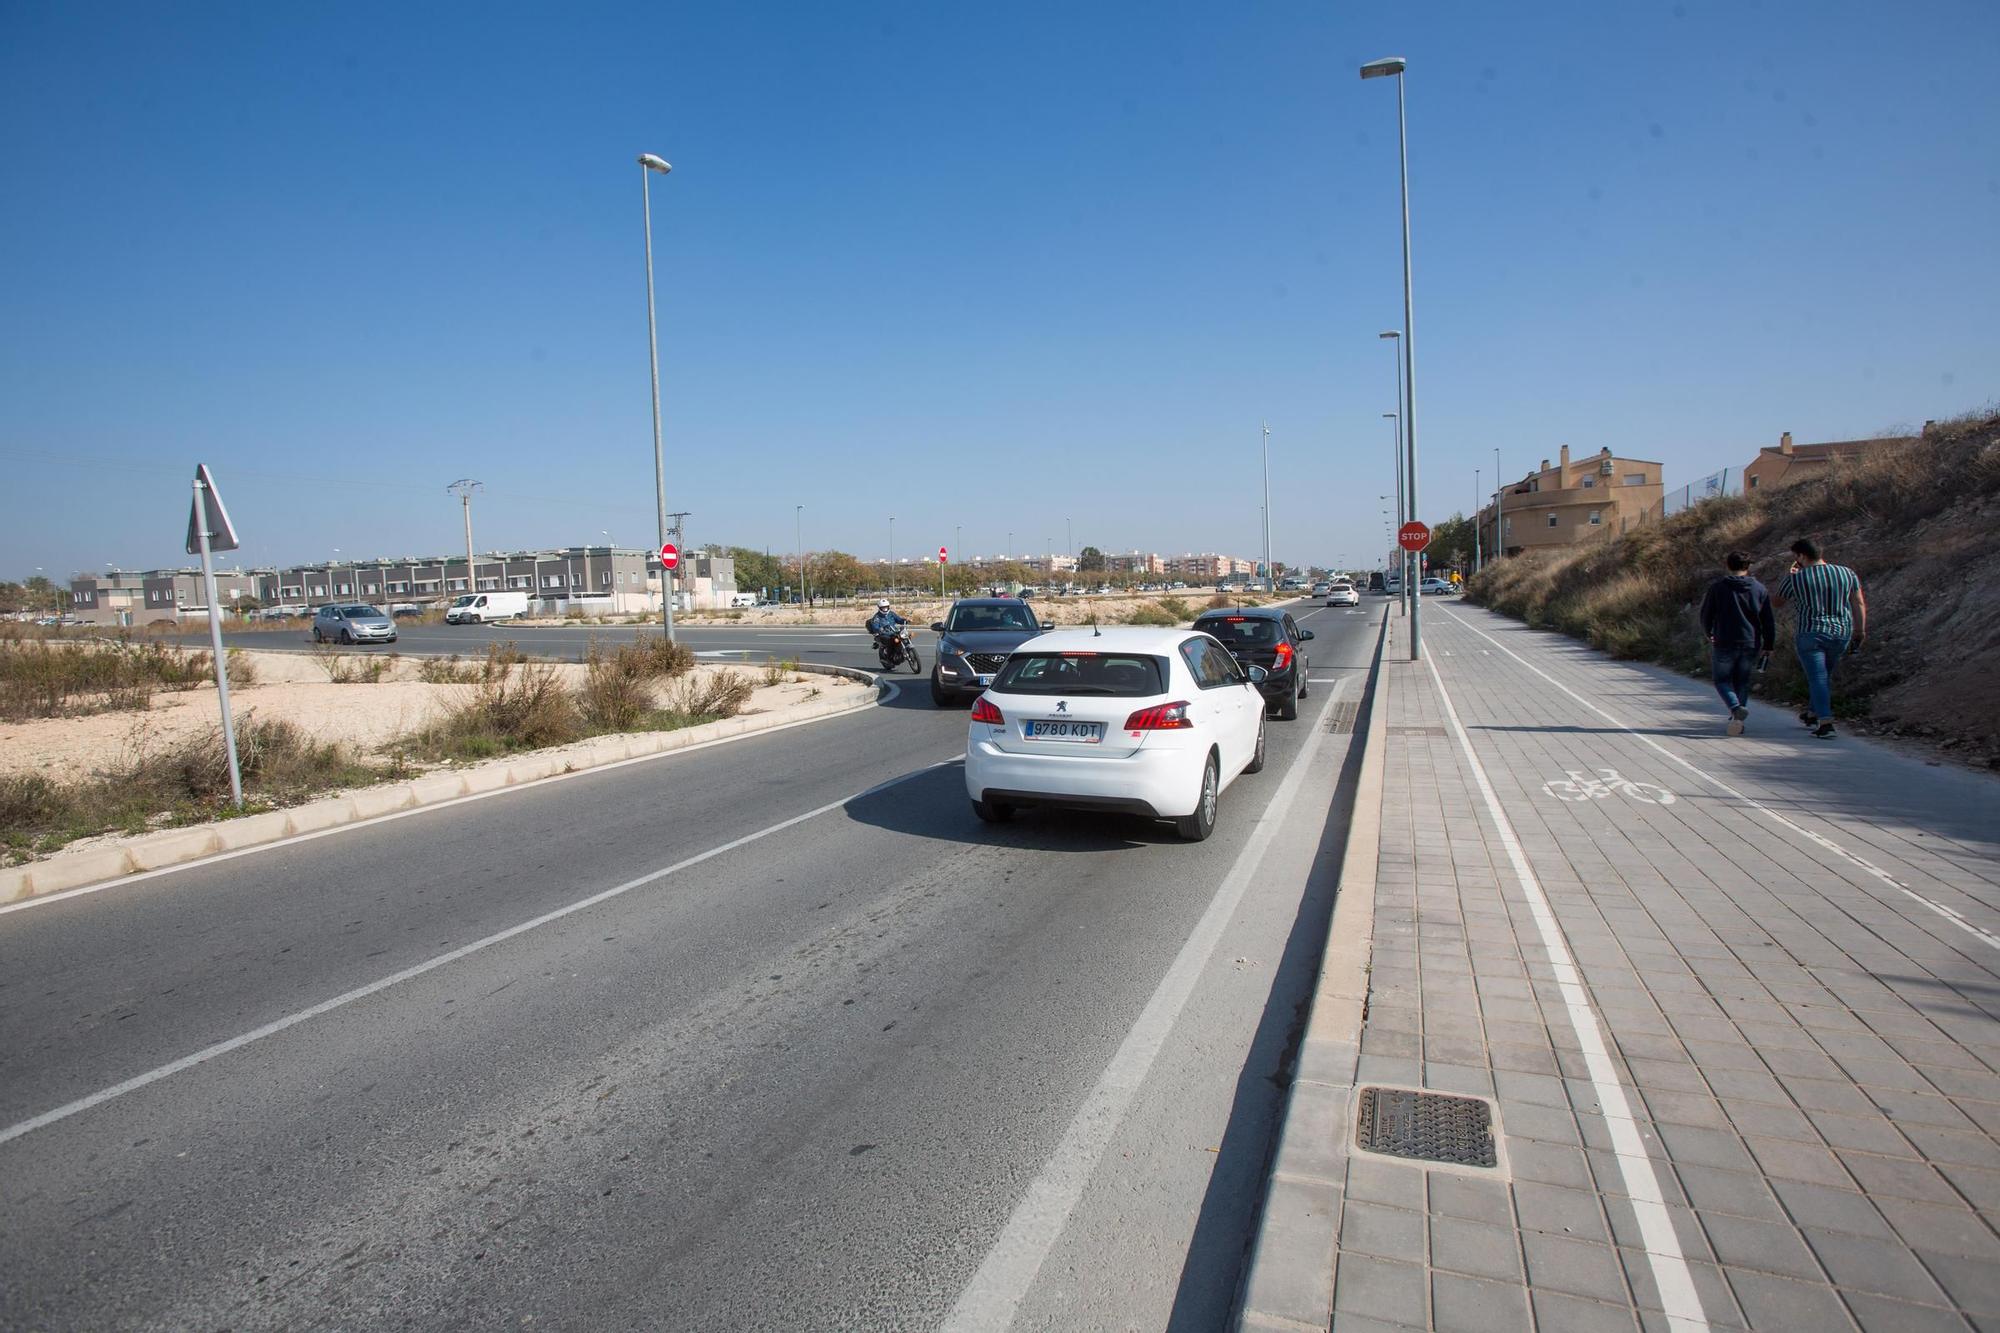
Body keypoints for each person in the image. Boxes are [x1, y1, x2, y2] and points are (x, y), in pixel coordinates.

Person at [1774, 538, 1866, 739]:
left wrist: (1790, 576)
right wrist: (1860, 631)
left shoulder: (1796, 578)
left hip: (1811, 633)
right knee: (1824, 676)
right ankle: (1812, 713)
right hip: (1841, 632)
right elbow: (1858, 602)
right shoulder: (1846, 573)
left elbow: (1778, 602)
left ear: (1801, 556)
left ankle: (1825, 722)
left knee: (1817, 677)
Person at [1698, 551, 1775, 735]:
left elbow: (1706, 614)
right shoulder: (1759, 589)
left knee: (1721, 680)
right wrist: (1769, 645)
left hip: (1724, 640)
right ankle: (1737, 721)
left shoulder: (1718, 588)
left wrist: (1708, 632)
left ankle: (1735, 707)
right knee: (1741, 681)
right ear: (1748, 566)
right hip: (1750, 642)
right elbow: (1767, 620)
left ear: (1728, 565)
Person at [866, 599, 908, 663]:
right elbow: (875, 626)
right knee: (891, 642)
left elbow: (898, 619)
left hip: (893, 631)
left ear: (888, 606)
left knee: (904, 637)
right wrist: (879, 629)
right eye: (883, 607)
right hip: (884, 634)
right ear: (880, 608)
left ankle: (903, 651)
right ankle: (888, 659)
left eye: (886, 607)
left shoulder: (891, 614)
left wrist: (905, 620)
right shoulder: (877, 617)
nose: (885, 609)